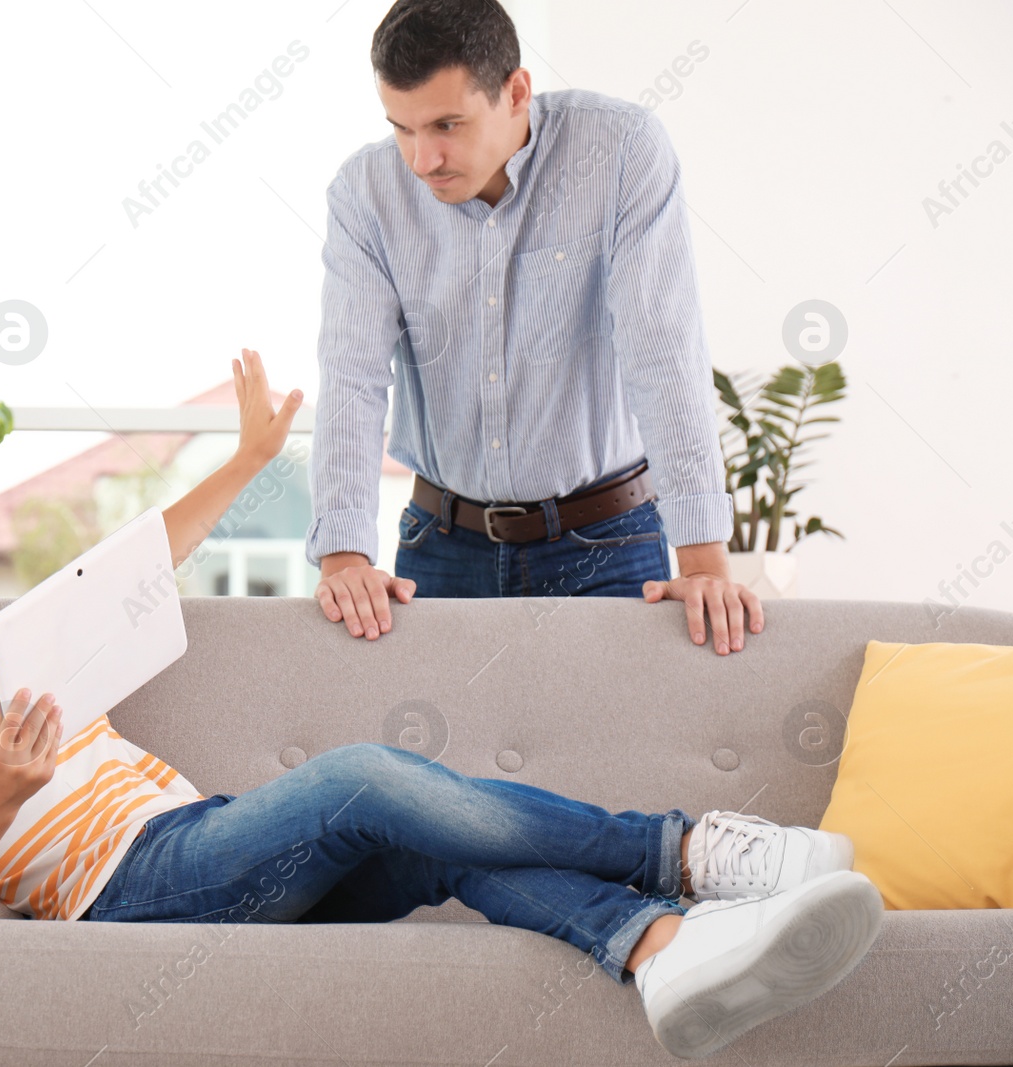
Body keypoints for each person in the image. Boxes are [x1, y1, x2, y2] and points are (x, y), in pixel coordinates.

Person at [0, 350, 880, 1061]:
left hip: (207, 844)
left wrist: (245, 461)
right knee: (365, 775)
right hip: (128, 896)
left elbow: (140, 563)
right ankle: (685, 850)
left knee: (432, 834)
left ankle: (660, 949)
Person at [308, 0, 765, 659]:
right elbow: (351, 376)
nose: (422, 159)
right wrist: (343, 556)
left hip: (606, 543)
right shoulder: (364, 194)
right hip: (438, 548)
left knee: (609, 761)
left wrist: (703, 565)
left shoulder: (621, 152)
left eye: (446, 124)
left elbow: (661, 352)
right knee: (431, 757)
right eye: (401, 129)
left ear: (516, 91)